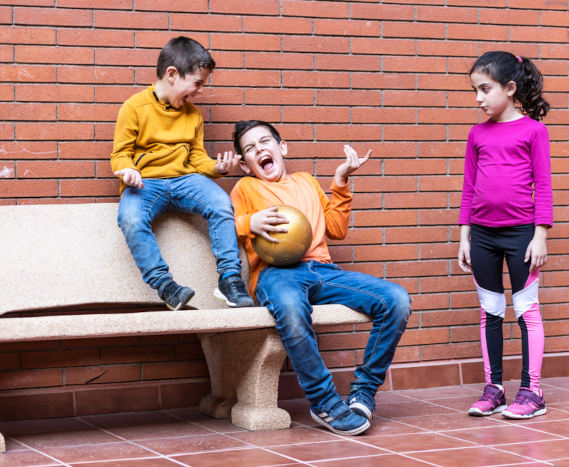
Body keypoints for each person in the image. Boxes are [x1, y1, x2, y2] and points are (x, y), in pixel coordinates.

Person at [229, 120, 411, 436]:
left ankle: (363, 392)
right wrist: (249, 222)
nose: (259, 149)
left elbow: (336, 230)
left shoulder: (307, 182)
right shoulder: (246, 189)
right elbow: (222, 228)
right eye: (250, 148)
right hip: (277, 275)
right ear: (245, 165)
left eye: (264, 142)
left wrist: (340, 181)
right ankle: (324, 401)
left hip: (323, 271)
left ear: (281, 147)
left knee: (396, 300)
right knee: (290, 308)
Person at [111, 36, 254, 311]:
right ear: (172, 75)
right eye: (197, 83)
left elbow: (197, 157)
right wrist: (127, 171)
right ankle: (166, 287)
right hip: (145, 183)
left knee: (221, 204)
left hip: (185, 180)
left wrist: (217, 168)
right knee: (129, 217)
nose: (200, 91)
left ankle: (230, 281)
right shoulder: (134, 108)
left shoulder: (193, 115)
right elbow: (120, 153)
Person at [457, 51, 553, 419]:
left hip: (520, 236)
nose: (478, 98)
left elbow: (542, 185)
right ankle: (494, 388)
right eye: (474, 90)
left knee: (525, 310)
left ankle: (532, 392)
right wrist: (464, 236)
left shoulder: (533, 130)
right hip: (482, 235)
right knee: (490, 310)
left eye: (484, 89)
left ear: (510, 88)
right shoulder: (476, 134)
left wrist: (540, 234)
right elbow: (469, 188)